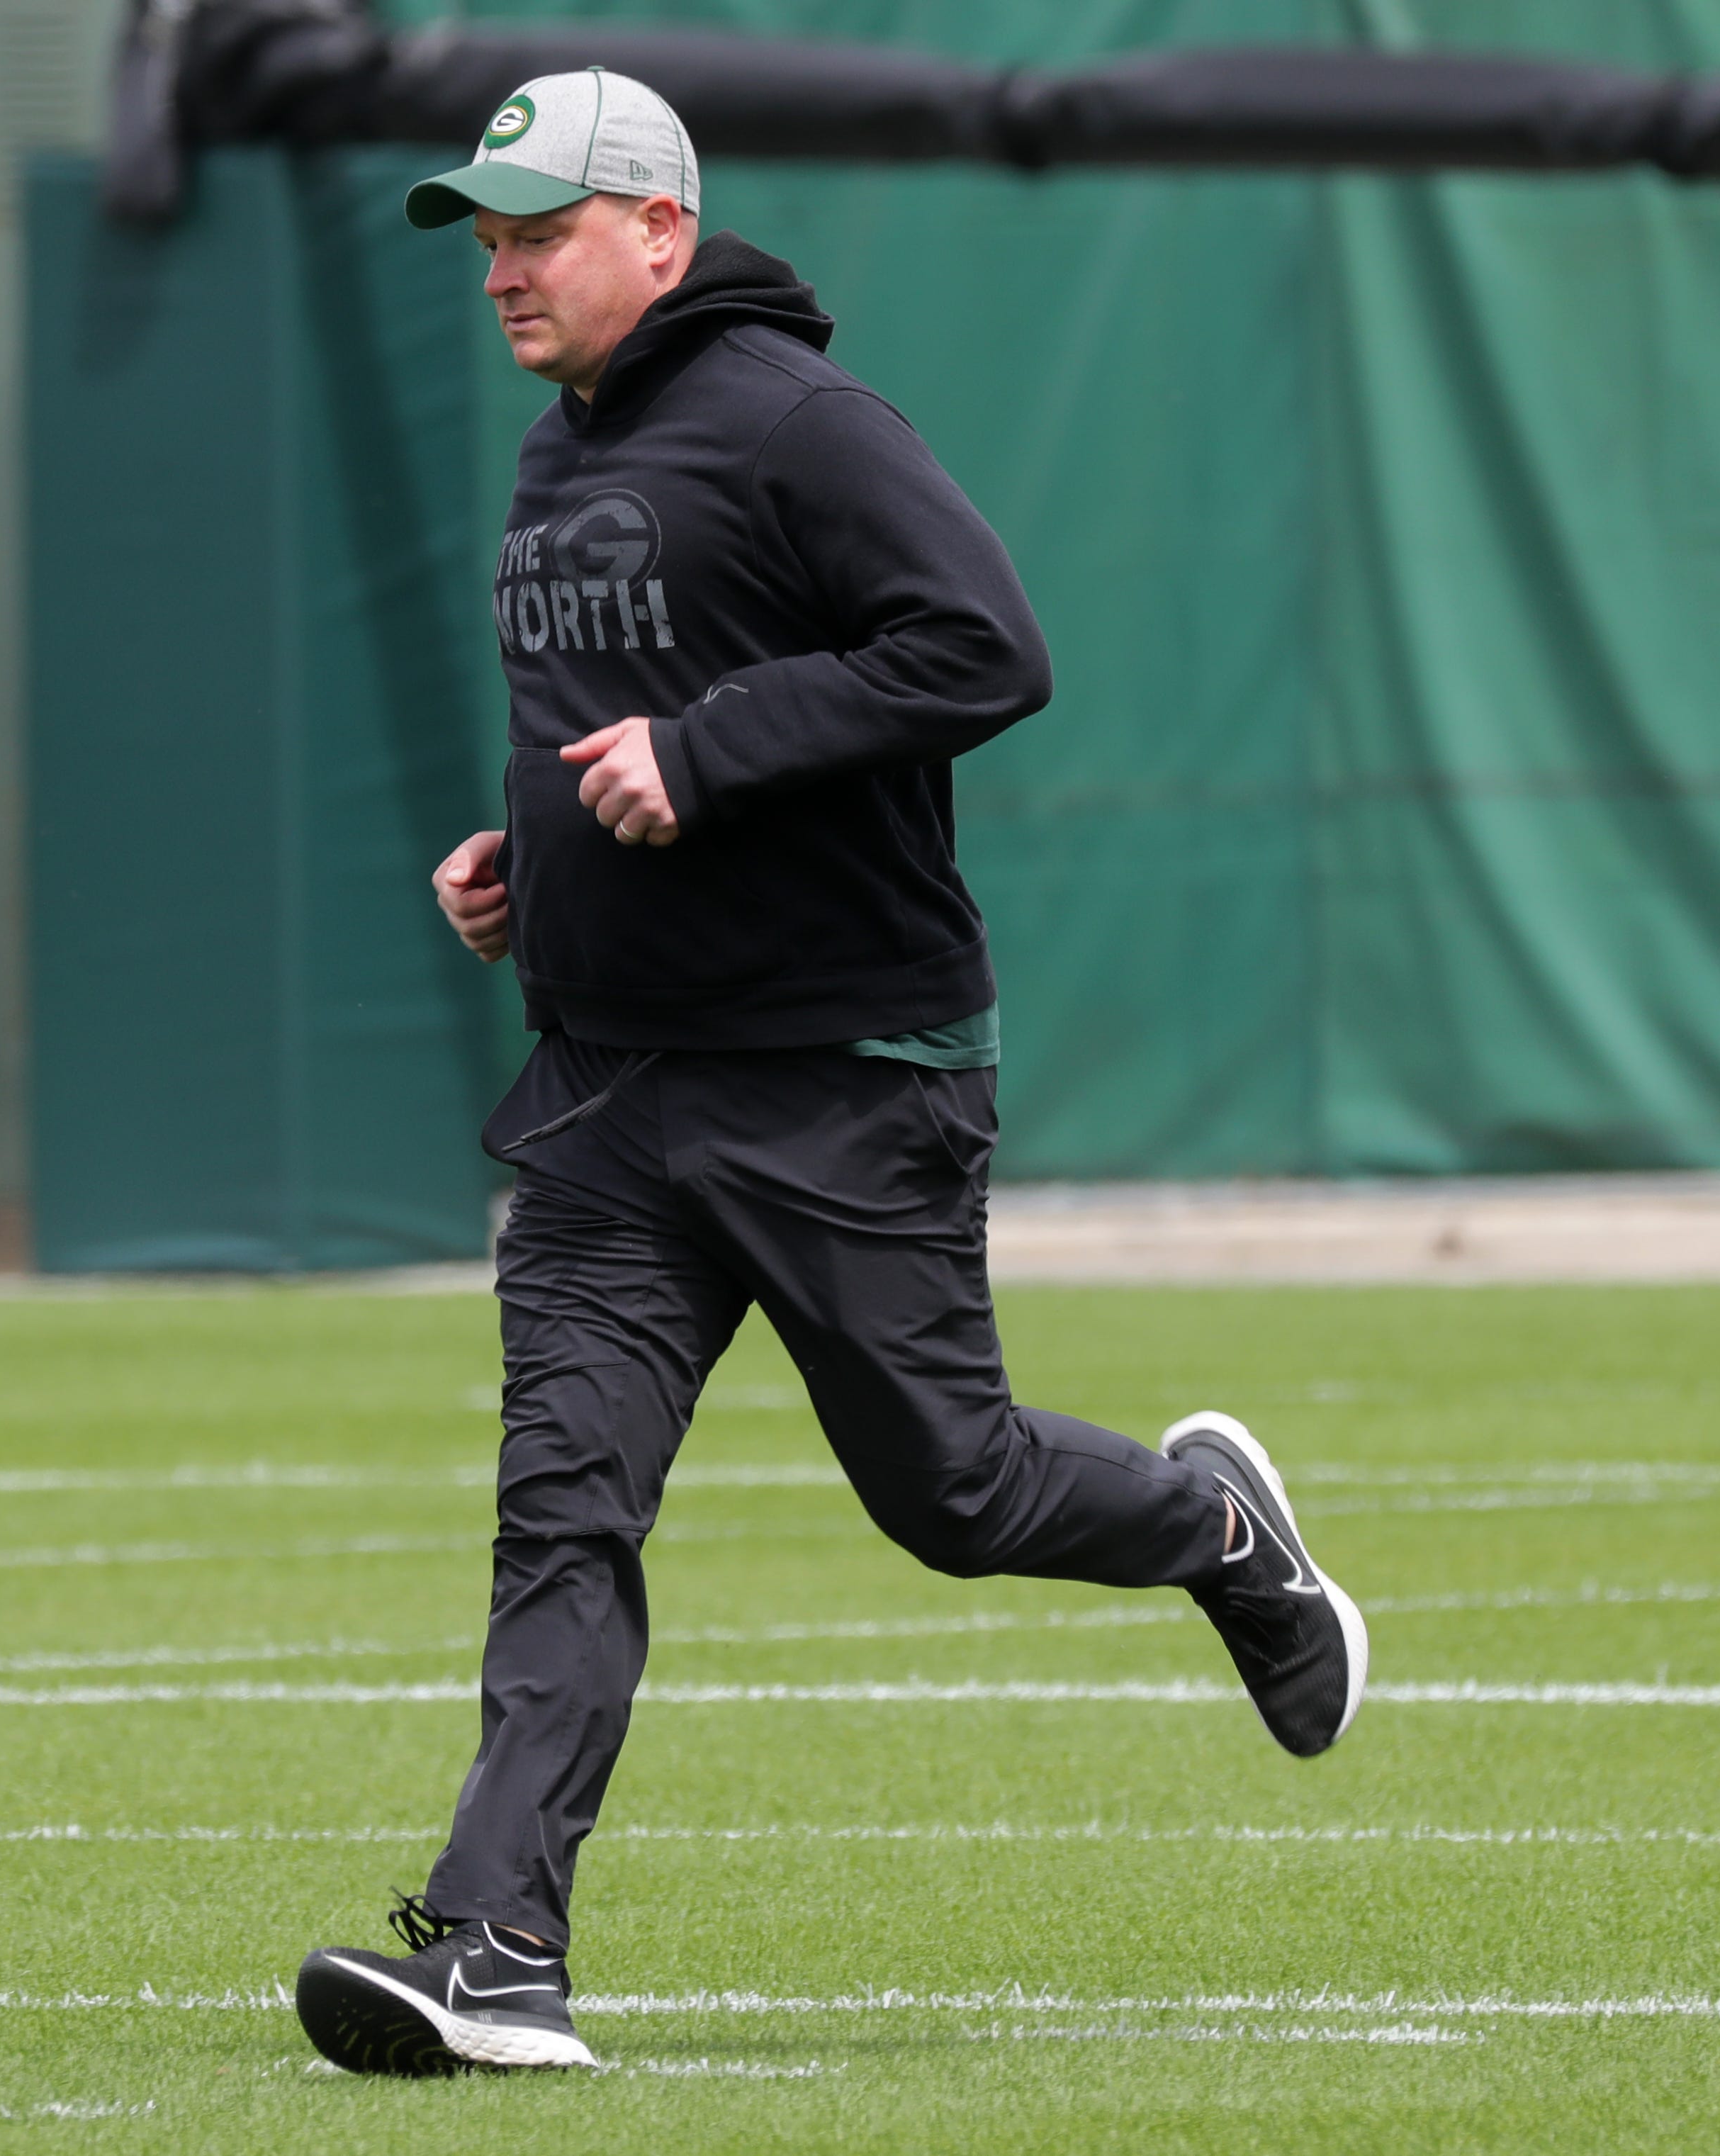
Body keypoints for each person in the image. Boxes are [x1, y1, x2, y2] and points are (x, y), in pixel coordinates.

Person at [291, 67, 1368, 2078]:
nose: (505, 270)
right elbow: (617, 725)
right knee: (561, 1514)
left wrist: (705, 757)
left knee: (951, 1494)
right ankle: (497, 1948)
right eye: (489, 237)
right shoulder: (555, 454)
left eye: (541, 231)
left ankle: (1221, 1535)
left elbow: (981, 647)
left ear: (663, 235)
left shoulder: (803, 422)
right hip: (610, 1087)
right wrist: (527, 862)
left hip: (838, 1077)